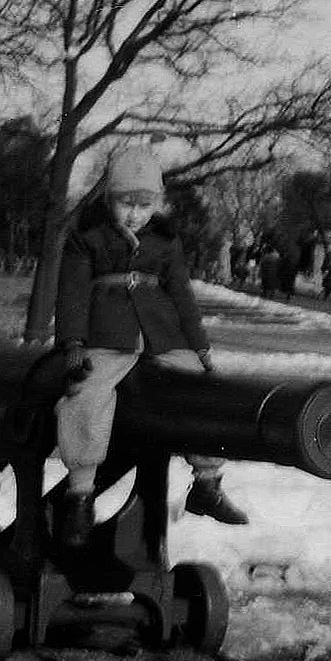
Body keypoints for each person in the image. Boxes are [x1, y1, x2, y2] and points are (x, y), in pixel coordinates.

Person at [53, 146, 249, 550]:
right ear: (109, 199)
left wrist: (200, 347)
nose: (135, 215)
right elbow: (72, 294)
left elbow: (182, 295)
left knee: (200, 392)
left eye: (144, 206)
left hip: (162, 333)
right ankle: (80, 493)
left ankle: (207, 483)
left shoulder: (165, 240)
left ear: (157, 204)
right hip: (108, 334)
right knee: (86, 395)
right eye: (127, 204)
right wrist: (72, 344)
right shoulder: (87, 237)